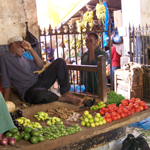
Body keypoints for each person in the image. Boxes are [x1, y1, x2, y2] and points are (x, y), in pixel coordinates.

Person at [0, 36, 82, 105]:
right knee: (39, 95)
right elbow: (5, 81)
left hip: (38, 81)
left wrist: (31, 49)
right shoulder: (4, 57)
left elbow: (40, 65)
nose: (23, 49)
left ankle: (65, 92)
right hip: (29, 91)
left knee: (60, 62)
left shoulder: (23, 58)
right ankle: (64, 99)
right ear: (14, 44)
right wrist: (5, 103)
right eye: (21, 46)